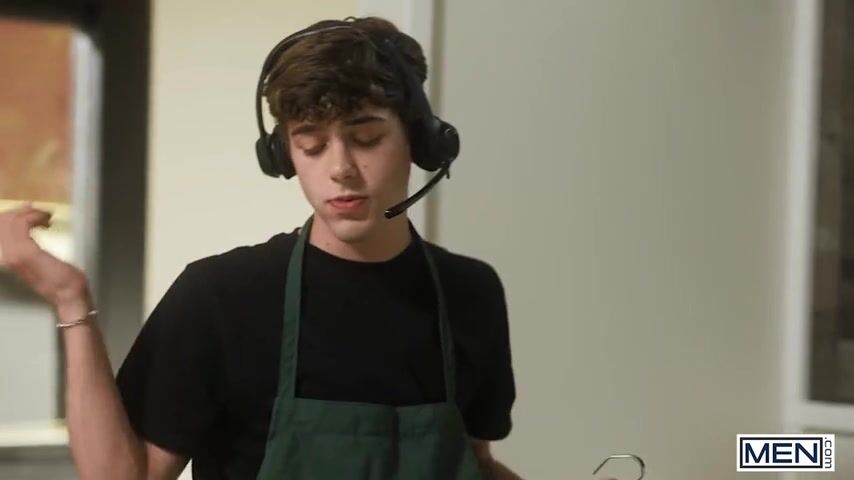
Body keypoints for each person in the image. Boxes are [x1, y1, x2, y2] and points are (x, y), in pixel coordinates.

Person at [0, 16, 521, 480]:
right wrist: (70, 300)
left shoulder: (470, 291)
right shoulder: (221, 296)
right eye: (312, 145)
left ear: (420, 141)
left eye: (366, 139)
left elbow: (473, 461)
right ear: (284, 155)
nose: (340, 168)